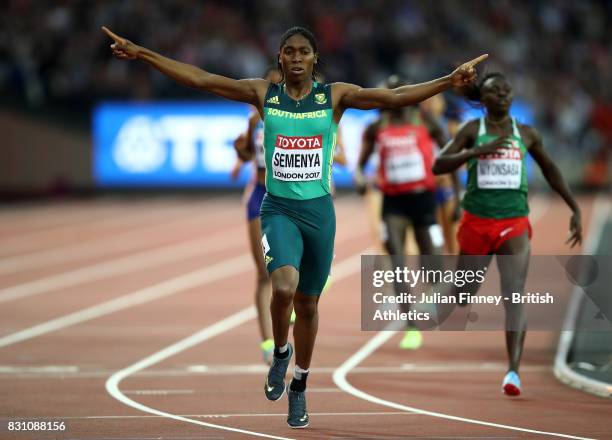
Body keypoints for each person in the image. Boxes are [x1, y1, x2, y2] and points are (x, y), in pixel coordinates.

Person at [102, 24, 487, 428]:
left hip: (319, 213)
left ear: (315, 58)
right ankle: (280, 352)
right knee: (283, 286)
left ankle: (299, 385)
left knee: (308, 304)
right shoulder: (262, 94)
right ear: (280, 58)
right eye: (290, 51)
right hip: (278, 209)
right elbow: (201, 79)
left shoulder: (334, 97)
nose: (297, 57)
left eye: (304, 51)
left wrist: (448, 81)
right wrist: (143, 53)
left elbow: (391, 96)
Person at [433, 72, 583, 397]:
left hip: (514, 223)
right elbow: (438, 164)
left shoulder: (525, 133)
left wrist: (575, 207)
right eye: (494, 91)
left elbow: (550, 169)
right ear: (482, 100)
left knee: (514, 294)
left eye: (506, 90)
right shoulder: (473, 131)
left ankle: (513, 371)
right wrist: (474, 153)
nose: (502, 94)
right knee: (463, 294)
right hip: (476, 222)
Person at [354, 75, 447, 350]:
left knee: (432, 263)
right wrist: (361, 179)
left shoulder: (425, 121)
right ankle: (410, 325)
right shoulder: (376, 127)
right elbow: (361, 164)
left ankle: (431, 294)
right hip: (393, 202)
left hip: (424, 200)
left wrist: (447, 173)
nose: (394, 96)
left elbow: (450, 148)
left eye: (399, 91)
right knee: (397, 262)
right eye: (390, 91)